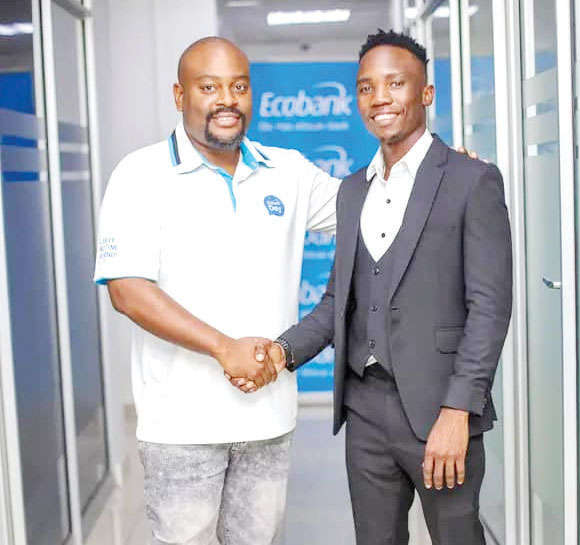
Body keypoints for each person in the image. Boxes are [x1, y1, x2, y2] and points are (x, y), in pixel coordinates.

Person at [233, 29, 513, 545]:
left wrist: (458, 410)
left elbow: (490, 309)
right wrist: (281, 351)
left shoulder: (471, 180)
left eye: (395, 83)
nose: (379, 97)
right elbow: (337, 301)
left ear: (426, 93)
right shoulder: (351, 190)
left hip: (441, 408)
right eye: (366, 87)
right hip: (364, 412)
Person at [93, 37, 342, 545]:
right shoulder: (140, 174)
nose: (227, 100)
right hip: (181, 427)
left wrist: (438, 173)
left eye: (239, 87)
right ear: (179, 95)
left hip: (268, 420)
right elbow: (127, 290)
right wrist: (222, 347)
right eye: (209, 87)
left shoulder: (289, 171)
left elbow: (373, 205)